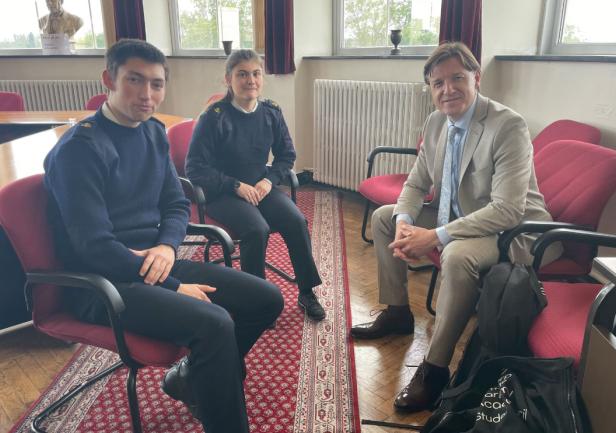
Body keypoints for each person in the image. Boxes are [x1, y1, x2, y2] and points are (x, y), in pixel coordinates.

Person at [43, 39, 283, 433]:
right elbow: (93, 246)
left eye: (156, 84)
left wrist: (168, 247)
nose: (147, 94)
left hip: (155, 261)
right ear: (109, 79)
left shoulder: (153, 132)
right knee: (216, 323)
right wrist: (174, 286)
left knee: (267, 299)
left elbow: (175, 203)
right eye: (134, 80)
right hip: (104, 282)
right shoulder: (79, 150)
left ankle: (192, 377)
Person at [350, 42, 562, 413]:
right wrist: (405, 225)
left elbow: (507, 210)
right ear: (431, 89)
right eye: (438, 83)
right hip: (460, 216)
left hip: (513, 230)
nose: (448, 89)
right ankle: (398, 312)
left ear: (476, 78)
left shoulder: (507, 125)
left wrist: (434, 236)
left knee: (457, 254)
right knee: (385, 217)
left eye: (457, 78)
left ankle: (434, 370)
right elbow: (416, 184)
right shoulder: (436, 122)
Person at [185, 49, 326, 322]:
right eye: (242, 74)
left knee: (296, 221)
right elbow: (195, 168)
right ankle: (257, 299)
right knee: (256, 229)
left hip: (261, 186)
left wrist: (269, 180)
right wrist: (235, 185)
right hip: (223, 193)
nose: (250, 80)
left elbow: (286, 156)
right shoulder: (213, 117)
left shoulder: (271, 112)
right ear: (228, 79)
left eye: (256, 73)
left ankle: (306, 291)